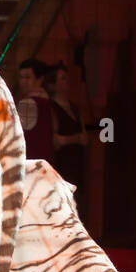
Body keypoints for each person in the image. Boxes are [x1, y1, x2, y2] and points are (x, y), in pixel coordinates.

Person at [46, 62, 87, 214]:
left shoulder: (75, 108)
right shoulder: (51, 108)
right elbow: (56, 140)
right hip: (61, 166)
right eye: (62, 78)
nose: (67, 81)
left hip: (76, 166)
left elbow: (84, 136)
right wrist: (76, 139)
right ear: (53, 84)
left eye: (66, 78)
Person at [16, 59, 54, 162]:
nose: (23, 81)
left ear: (40, 79)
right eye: (21, 77)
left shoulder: (26, 103)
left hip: (29, 164)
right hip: (45, 164)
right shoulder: (48, 101)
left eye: (28, 77)